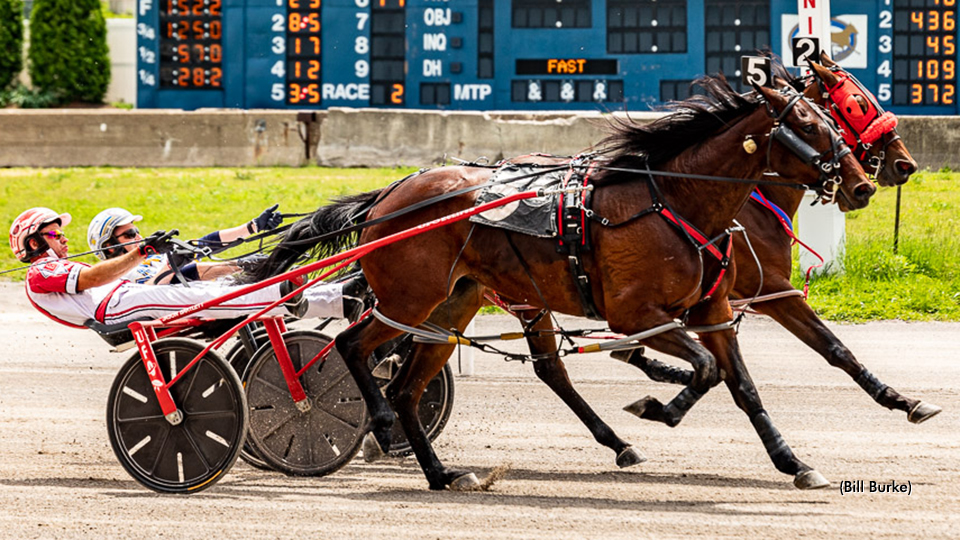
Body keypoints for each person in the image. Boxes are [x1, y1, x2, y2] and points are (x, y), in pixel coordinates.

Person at [9, 207, 360, 329]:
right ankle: (285, 292)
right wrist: (144, 251)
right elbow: (93, 277)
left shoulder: (68, 266)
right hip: (117, 305)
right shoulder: (40, 273)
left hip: (128, 298)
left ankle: (340, 297)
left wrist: (252, 228)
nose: (63, 238)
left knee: (216, 291)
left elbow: (199, 249)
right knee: (210, 295)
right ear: (34, 243)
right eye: (54, 233)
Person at [86, 205, 284, 285]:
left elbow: (204, 244)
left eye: (136, 230)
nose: (139, 236)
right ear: (110, 247)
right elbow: (151, 288)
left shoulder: (153, 256)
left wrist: (252, 227)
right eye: (130, 234)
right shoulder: (120, 275)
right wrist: (240, 264)